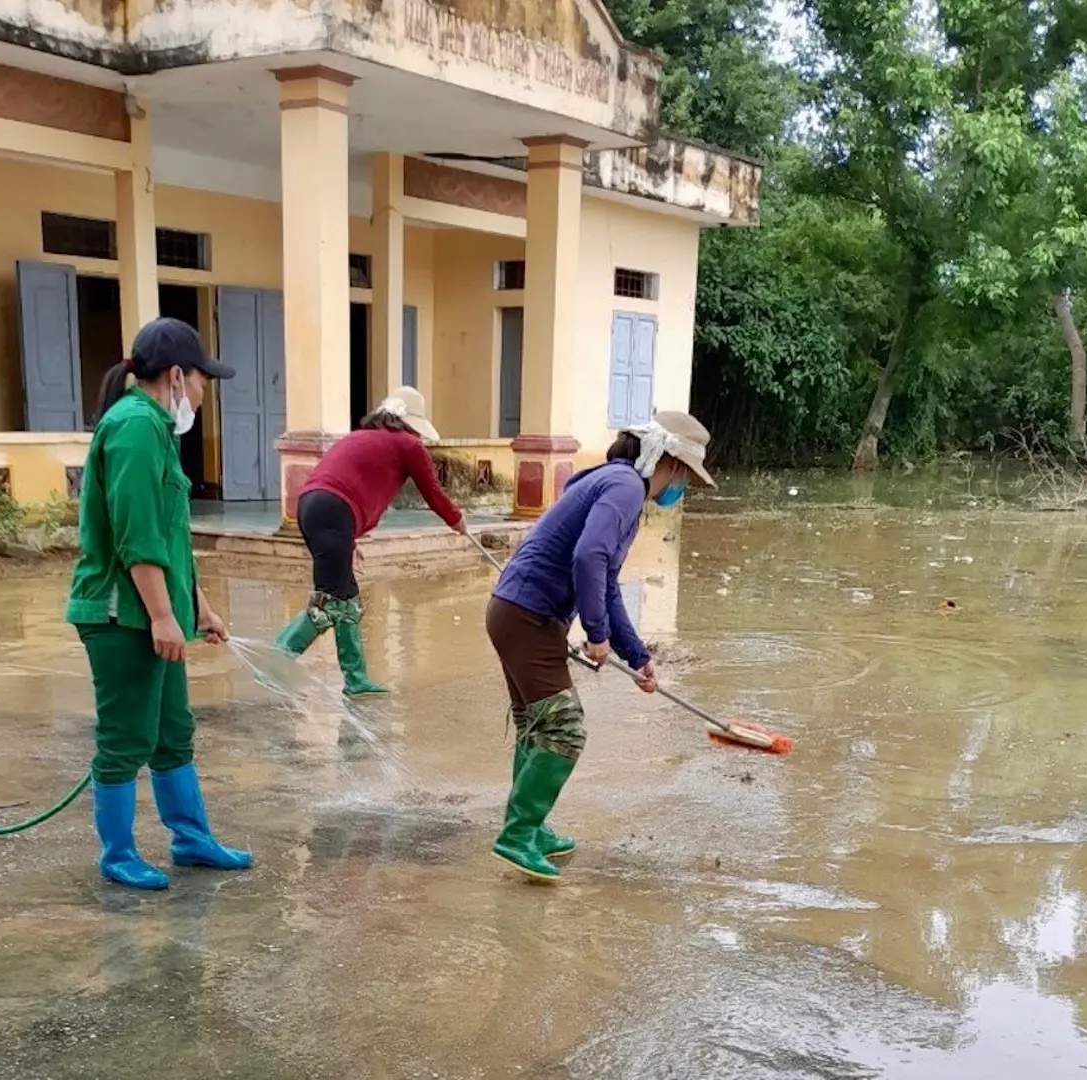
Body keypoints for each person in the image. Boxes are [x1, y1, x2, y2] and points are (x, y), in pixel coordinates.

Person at [485, 411, 716, 881]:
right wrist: (595, 634)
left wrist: (638, 655)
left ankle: (530, 828)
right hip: (528, 616)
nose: (683, 488)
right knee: (565, 728)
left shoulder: (614, 484)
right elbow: (587, 555)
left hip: (517, 612)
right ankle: (517, 834)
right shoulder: (626, 487)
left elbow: (606, 582)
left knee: (537, 724)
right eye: (685, 476)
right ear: (668, 461)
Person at [65, 317, 252, 891]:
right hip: (123, 617)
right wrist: (162, 615)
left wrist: (196, 606)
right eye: (201, 381)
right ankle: (118, 855)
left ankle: (191, 840)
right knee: (125, 738)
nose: (203, 393)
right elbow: (137, 535)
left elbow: (173, 538)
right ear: (176, 375)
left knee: (172, 731)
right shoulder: (134, 429)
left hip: (155, 612)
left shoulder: (155, 430)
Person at [274, 386, 467, 695]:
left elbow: (343, 484)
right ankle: (275, 662)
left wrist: (349, 540)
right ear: (411, 423)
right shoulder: (408, 445)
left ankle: (356, 679)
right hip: (333, 512)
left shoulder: (361, 437)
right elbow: (432, 492)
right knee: (328, 603)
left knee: (345, 597)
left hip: (313, 508)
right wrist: (457, 520)